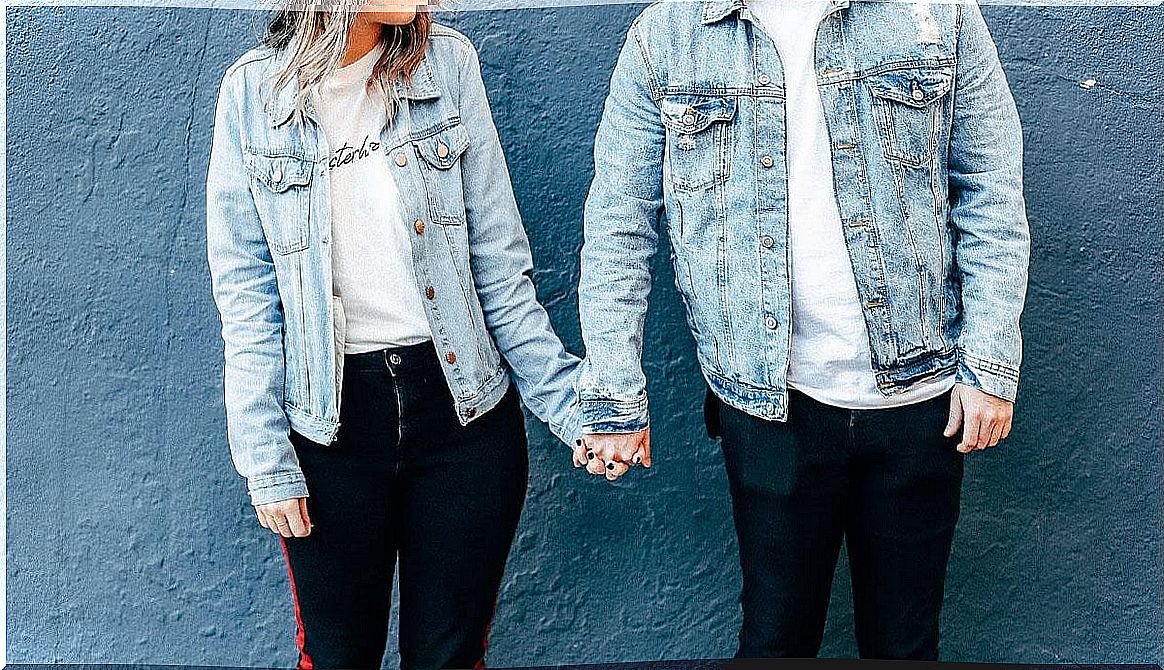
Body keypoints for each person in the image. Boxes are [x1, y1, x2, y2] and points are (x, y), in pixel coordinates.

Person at [576, 0, 1030, 659]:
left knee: (905, 644)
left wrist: (988, 363)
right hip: (769, 402)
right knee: (774, 640)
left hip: (921, 399)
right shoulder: (669, 34)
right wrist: (614, 393)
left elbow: (989, 187)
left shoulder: (937, 13)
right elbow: (619, 224)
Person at [205, 2, 583, 667]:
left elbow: (499, 262)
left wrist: (574, 408)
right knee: (338, 656)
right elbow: (248, 297)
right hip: (331, 432)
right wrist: (264, 457)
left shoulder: (449, 67)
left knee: (449, 657)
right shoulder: (252, 94)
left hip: (463, 416)